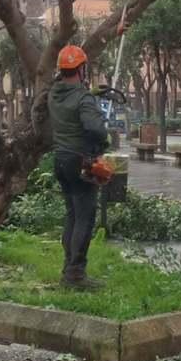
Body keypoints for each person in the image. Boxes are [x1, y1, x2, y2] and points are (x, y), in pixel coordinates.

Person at [48, 44, 110, 289]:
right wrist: (103, 139)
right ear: (82, 68)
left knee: (72, 215)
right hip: (80, 161)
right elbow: (95, 129)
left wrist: (92, 96)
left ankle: (68, 268)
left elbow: (72, 97)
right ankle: (75, 275)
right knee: (85, 217)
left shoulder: (54, 93)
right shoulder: (83, 98)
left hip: (61, 160)